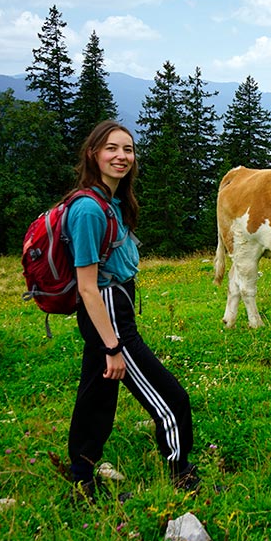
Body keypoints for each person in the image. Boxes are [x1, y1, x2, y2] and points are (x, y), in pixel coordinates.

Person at [64, 120, 198, 502]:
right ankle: (181, 474)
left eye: (128, 149)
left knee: (96, 397)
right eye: (112, 148)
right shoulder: (90, 210)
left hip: (110, 306)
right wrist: (113, 346)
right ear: (94, 153)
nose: (122, 156)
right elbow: (88, 286)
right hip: (107, 310)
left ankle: (82, 481)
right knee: (172, 400)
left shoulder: (108, 201)